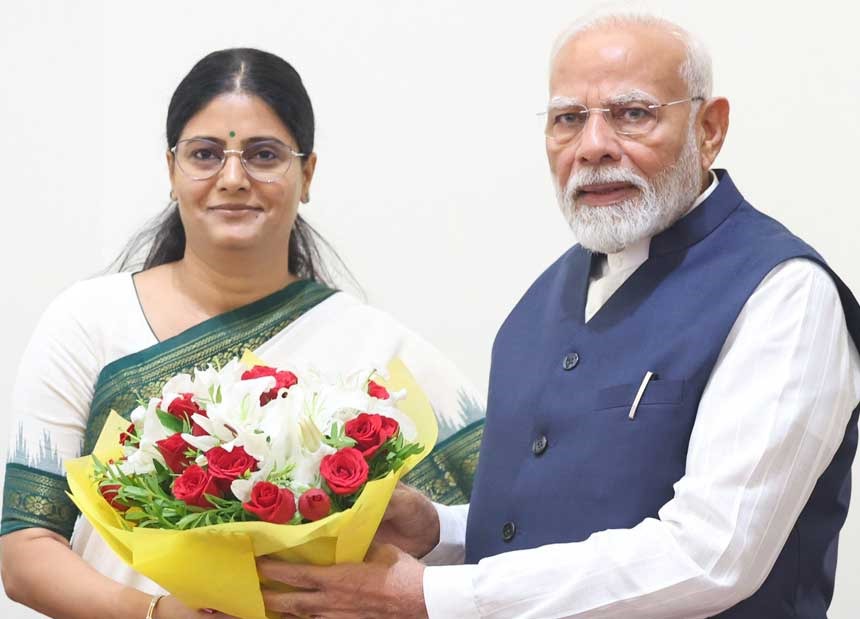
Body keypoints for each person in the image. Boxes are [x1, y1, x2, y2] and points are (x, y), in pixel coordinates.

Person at [255, 11, 860, 619]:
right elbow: (551, 521)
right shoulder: (540, 302)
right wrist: (438, 532)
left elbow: (711, 554)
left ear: (709, 128)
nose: (594, 146)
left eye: (632, 114)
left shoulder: (783, 295)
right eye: (569, 119)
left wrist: (429, 598)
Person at [0, 47, 484, 618]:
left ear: (306, 175)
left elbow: (499, 529)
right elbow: (24, 550)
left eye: (263, 155)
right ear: (171, 170)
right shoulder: (89, 321)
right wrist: (157, 614)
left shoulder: (375, 346)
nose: (233, 178)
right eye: (205, 154)